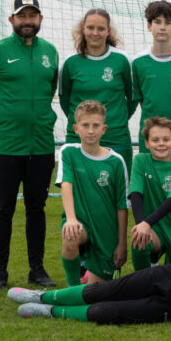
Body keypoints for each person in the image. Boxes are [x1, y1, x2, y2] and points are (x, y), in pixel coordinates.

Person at [7, 209, 171, 324]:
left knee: (107, 312)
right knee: (105, 290)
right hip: (170, 277)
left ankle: (51, 312)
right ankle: (42, 297)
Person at [0, 0, 59, 289]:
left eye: (32, 16)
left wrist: (39, 118)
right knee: (4, 209)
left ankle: (37, 269)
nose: (27, 21)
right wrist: (4, 114)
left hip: (41, 146)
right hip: (6, 146)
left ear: (40, 19)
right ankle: (0, 272)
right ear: (12, 19)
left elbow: (49, 89)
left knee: (37, 208)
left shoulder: (51, 52)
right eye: (22, 16)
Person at [56, 101, 129, 286]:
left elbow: (122, 205)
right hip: (80, 222)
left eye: (96, 126)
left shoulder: (116, 162)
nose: (90, 131)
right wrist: (71, 219)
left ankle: (88, 277)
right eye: (85, 125)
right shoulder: (68, 152)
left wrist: (122, 243)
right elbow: (66, 184)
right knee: (70, 235)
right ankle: (72, 287)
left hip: (106, 233)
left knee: (95, 293)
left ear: (104, 129)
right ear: (76, 128)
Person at [59, 8, 136, 170]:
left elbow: (133, 98)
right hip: (78, 139)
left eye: (101, 29)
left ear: (108, 31)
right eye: (90, 28)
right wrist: (83, 123)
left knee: (119, 185)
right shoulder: (70, 62)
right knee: (76, 185)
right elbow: (65, 99)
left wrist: (116, 118)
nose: (95, 33)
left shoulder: (122, 60)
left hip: (116, 138)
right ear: (83, 29)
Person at [128, 117, 171, 269]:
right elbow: (135, 194)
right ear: (147, 143)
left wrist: (146, 223)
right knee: (139, 240)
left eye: (166, 139)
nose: (161, 144)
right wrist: (141, 226)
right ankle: (143, 280)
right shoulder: (140, 160)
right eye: (155, 140)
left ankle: (158, 265)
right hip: (154, 227)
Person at [131, 0, 171, 160]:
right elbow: (141, 100)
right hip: (150, 136)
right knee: (149, 176)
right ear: (149, 26)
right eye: (157, 22)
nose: (162, 27)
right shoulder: (138, 62)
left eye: (167, 23)